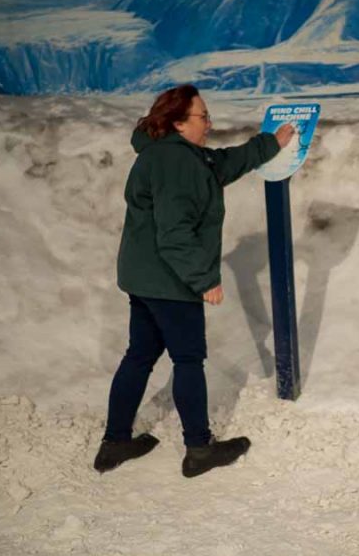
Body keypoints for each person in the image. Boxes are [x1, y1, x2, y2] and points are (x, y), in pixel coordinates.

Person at [93, 84, 294, 478]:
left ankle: (114, 442)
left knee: (139, 355)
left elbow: (219, 165)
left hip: (144, 277)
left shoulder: (173, 155)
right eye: (203, 116)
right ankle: (199, 449)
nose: (209, 122)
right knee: (188, 359)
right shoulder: (178, 163)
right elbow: (174, 232)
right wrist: (203, 279)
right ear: (179, 123)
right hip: (171, 281)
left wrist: (269, 143)